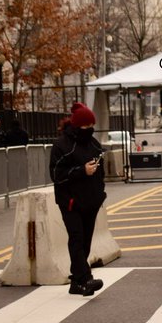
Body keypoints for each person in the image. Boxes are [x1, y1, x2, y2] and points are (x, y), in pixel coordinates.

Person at [50, 102, 106, 297]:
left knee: (85, 243)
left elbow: (100, 172)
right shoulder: (61, 146)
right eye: (85, 126)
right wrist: (82, 171)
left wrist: (100, 193)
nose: (89, 129)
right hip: (70, 202)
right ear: (76, 125)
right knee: (77, 238)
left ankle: (76, 281)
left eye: (91, 126)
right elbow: (57, 175)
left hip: (90, 201)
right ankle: (86, 279)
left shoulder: (94, 144)